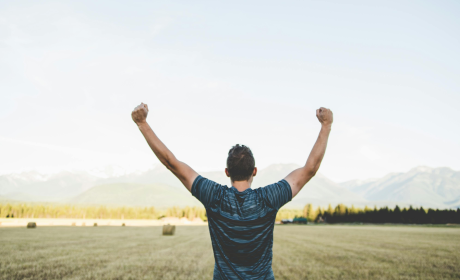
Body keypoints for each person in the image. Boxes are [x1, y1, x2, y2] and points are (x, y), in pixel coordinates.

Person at [131, 103, 333, 280]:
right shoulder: (269, 199)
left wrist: (142, 123)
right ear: (254, 171)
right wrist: (326, 125)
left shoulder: (214, 197)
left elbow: (171, 163)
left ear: (227, 172)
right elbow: (310, 169)